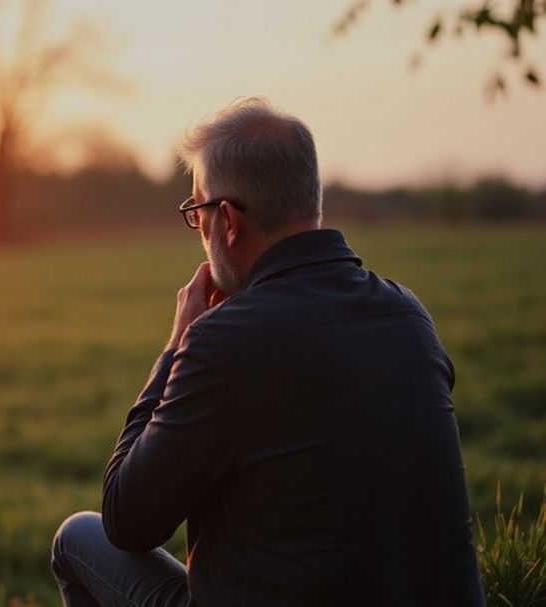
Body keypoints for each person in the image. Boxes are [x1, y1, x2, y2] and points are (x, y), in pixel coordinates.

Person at [51, 97, 484, 606]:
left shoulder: (221, 341)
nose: (201, 233)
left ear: (227, 220)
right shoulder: (408, 315)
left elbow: (127, 519)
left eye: (197, 213)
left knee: (77, 539)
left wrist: (176, 346)